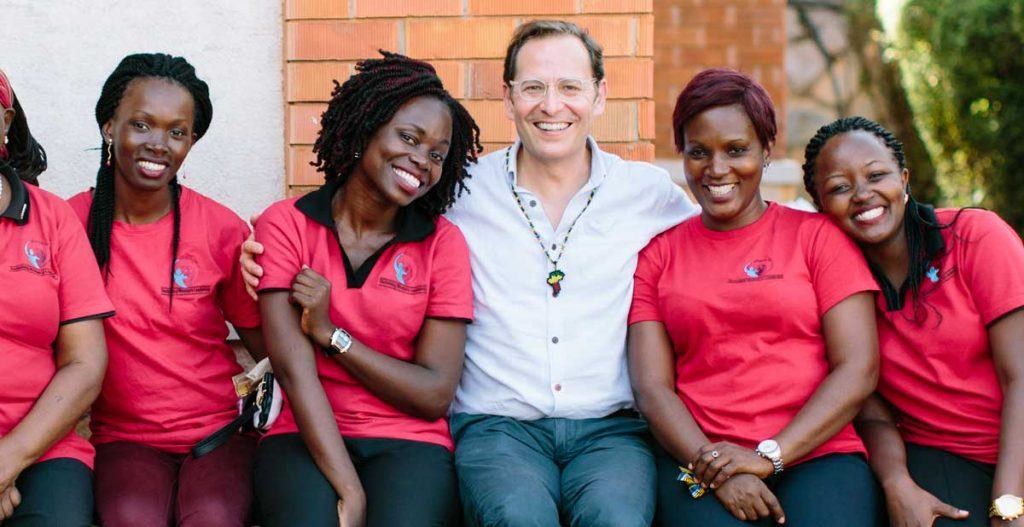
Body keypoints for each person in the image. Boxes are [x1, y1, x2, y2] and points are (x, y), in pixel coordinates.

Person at [241, 20, 696, 527]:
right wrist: (263, 266)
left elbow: (720, 247)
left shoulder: (652, 196)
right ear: (508, 98)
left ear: (599, 95)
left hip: (610, 430)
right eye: (533, 88)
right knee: (515, 518)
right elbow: (365, 211)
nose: (551, 105)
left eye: (570, 87)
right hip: (498, 428)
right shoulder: (458, 192)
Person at [628, 69, 884, 526]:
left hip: (818, 453)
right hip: (699, 458)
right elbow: (652, 388)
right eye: (698, 152)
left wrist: (769, 457)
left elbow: (858, 367)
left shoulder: (816, 238)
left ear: (767, 151)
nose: (717, 169)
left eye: (737, 150)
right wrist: (719, 469)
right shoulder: (658, 254)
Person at [251, 52, 480, 527]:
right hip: (303, 433)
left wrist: (333, 335)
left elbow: (434, 392)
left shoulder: (443, 244)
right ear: (367, 129)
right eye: (409, 138)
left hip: (411, 440)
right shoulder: (287, 225)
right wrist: (349, 491)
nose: (421, 160)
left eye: (437, 154)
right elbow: (295, 373)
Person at [66, 53, 266, 527]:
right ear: (109, 127)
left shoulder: (219, 228)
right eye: (141, 125)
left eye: (177, 132)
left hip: (220, 432)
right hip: (124, 437)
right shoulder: (69, 225)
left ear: (191, 141)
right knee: (131, 516)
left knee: (213, 517)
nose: (158, 144)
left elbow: (265, 347)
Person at [802, 116, 1024, 527]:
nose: (863, 195)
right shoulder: (837, 291)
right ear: (820, 206)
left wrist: (1009, 505)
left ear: (903, 179)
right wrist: (897, 483)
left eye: (876, 175)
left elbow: (1021, 376)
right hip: (941, 457)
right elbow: (872, 415)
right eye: (839, 187)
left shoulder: (976, 237)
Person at [0, 67, 111, 526]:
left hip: (43, 444)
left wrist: (9, 458)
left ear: (5, 122)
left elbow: (85, 363)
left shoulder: (52, 219)